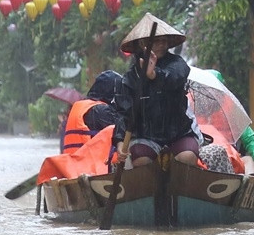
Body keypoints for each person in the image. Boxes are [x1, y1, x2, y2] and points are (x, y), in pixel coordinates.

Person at [117, 14, 200, 167]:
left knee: (188, 157)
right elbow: (124, 113)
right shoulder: (130, 78)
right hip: (146, 137)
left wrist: (155, 75)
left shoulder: (177, 64)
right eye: (156, 41)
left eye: (164, 41)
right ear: (143, 44)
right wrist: (120, 142)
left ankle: (179, 191)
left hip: (179, 133)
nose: (161, 44)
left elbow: (176, 76)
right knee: (142, 161)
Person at [61, 71, 127, 152]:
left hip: (72, 161)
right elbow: (120, 132)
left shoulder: (79, 106)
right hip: (92, 162)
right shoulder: (101, 110)